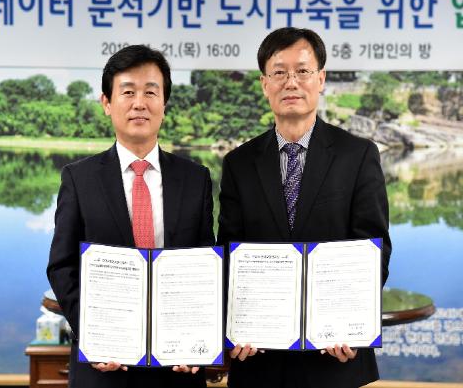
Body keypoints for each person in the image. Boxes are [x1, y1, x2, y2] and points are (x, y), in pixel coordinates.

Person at [217, 27, 392, 388]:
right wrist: (235, 324)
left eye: (302, 71)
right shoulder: (239, 163)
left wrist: (352, 323)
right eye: (279, 72)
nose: (291, 82)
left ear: (321, 79)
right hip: (259, 357)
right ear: (264, 84)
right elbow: (229, 252)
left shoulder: (358, 155)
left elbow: (373, 249)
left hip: (335, 356)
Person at [47, 45, 214, 388]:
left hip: (177, 367)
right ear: (107, 103)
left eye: (151, 92)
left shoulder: (195, 178)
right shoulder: (79, 179)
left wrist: (198, 339)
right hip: (104, 368)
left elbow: (206, 266)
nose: (140, 103)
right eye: (127, 92)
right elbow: (62, 267)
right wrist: (93, 335)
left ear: (165, 103)